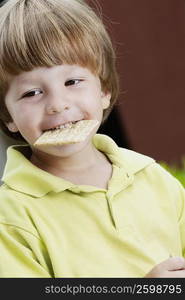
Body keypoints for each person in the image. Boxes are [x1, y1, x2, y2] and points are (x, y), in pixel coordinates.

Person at [0, 0, 185, 278]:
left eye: (72, 82)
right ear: (7, 116)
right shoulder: (11, 216)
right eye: (32, 93)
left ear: (104, 90)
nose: (58, 105)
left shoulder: (150, 175)